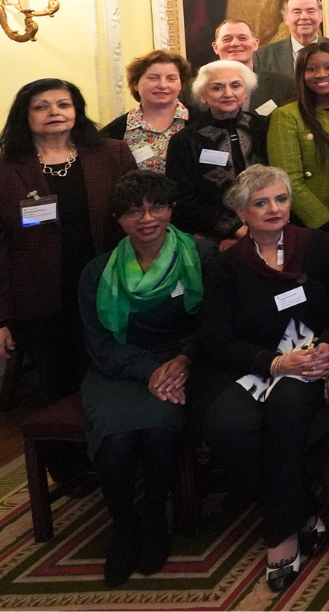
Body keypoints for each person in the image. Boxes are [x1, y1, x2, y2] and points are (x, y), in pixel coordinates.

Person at [199, 165, 329, 592]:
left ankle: (280, 535)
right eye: (261, 202)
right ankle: (301, 509)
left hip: (313, 359)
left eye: (281, 199)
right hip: (256, 364)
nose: (274, 209)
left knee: (285, 412)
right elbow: (217, 339)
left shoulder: (316, 245)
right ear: (241, 211)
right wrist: (273, 363)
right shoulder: (228, 265)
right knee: (224, 426)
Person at [0, 80, 136, 483]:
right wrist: (3, 318)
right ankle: (71, 470)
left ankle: (120, 456)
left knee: (110, 374)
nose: (54, 111)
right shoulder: (8, 168)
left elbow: (137, 214)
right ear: (25, 117)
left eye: (63, 103)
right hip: (42, 297)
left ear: (77, 109)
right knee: (58, 381)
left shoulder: (110, 153)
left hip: (110, 288)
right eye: (41, 106)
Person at [80, 170, 211, 586]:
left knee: (157, 431)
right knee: (116, 438)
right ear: (119, 219)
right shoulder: (96, 271)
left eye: (157, 207)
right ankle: (123, 525)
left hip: (183, 364)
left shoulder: (203, 257)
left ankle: (154, 517)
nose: (147, 218)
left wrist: (186, 358)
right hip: (118, 369)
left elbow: (216, 324)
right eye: (133, 211)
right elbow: (100, 345)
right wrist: (148, 370)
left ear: (171, 209)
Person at [267, 42, 329, 238]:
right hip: (317, 224)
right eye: (311, 69)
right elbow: (288, 181)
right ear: (301, 74)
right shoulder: (286, 115)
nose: (321, 74)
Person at [169, 61, 268, 243]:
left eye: (236, 85)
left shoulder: (262, 127)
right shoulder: (185, 140)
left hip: (268, 229)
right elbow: (182, 202)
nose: (228, 93)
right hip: (212, 239)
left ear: (246, 92)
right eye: (217, 88)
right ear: (203, 95)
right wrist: (233, 229)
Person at [102, 50, 192, 172]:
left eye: (171, 78)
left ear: (181, 84)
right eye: (153, 78)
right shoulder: (114, 132)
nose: (162, 85)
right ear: (135, 84)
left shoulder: (201, 122)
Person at [255, 0, 329, 80]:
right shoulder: (263, 55)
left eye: (310, 11)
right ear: (285, 18)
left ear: (320, 16)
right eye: (297, 12)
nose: (304, 17)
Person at [212, 19, 296, 110]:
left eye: (242, 38)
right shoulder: (197, 89)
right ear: (216, 47)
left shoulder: (283, 86)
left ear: (255, 44)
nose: (235, 43)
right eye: (227, 39)